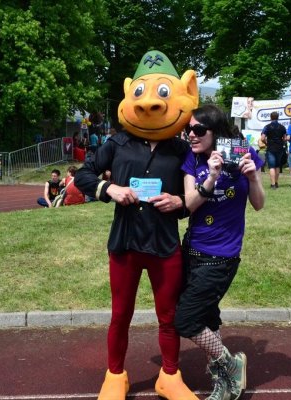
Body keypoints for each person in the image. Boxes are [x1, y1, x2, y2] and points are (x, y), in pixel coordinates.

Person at [74, 50, 199, 400]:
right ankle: (116, 375)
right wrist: (109, 189)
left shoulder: (181, 150)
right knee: (120, 315)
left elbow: (194, 195)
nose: (149, 104)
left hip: (164, 244)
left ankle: (169, 376)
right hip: (125, 244)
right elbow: (83, 175)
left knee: (168, 316)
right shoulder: (117, 143)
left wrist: (179, 203)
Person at [174, 105, 265, 400]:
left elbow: (259, 204)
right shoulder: (193, 158)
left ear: (215, 131)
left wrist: (253, 178)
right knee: (208, 318)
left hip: (221, 256)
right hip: (192, 250)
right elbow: (189, 204)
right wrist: (211, 177)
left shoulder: (243, 152)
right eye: (188, 129)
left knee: (186, 321)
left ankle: (230, 363)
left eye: (199, 130)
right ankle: (224, 384)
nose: (191, 134)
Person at [260, 111, 286, 189]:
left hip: (270, 148)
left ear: (270, 117)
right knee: (277, 166)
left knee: (271, 167)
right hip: (279, 148)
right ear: (278, 117)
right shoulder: (282, 127)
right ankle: (276, 183)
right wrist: (281, 142)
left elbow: (262, 138)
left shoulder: (267, 127)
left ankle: (273, 184)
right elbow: (285, 138)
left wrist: (266, 143)